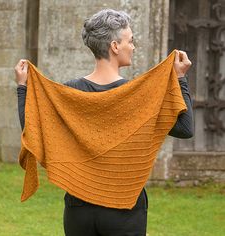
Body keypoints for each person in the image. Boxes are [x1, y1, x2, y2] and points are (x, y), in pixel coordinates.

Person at [15, 8, 193, 236]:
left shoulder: (68, 93)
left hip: (78, 211)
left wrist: (23, 89)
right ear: (115, 46)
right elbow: (186, 129)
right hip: (124, 211)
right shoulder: (138, 96)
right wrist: (180, 79)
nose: (134, 46)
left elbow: (31, 129)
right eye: (130, 40)